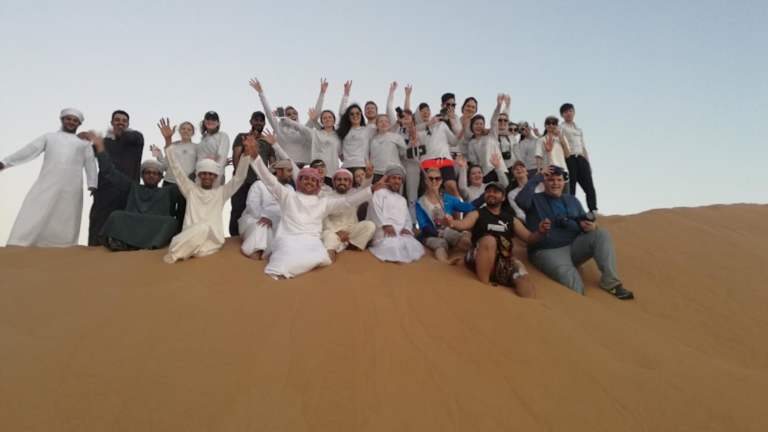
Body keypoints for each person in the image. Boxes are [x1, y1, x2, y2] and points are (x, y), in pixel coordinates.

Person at [249, 148, 382, 279]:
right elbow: (270, 181)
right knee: (283, 260)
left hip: (312, 241)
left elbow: (347, 202)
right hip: (288, 238)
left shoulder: (323, 202)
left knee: (321, 257)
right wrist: (256, 158)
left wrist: (371, 190)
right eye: (306, 179)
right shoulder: (288, 195)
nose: (309, 182)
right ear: (299, 181)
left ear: (317, 184)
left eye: (313, 180)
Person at [515, 166, 634, 299]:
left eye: (559, 180)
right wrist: (537, 177)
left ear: (564, 182)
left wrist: (591, 226)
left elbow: (583, 219)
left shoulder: (572, 200)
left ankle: (611, 283)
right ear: (544, 182)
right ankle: (582, 305)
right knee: (575, 288)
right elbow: (520, 200)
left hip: (574, 245)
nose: (555, 183)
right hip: (548, 250)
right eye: (551, 180)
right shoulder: (534, 199)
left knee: (602, 234)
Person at [158, 118, 251, 264]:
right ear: (199, 175)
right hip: (190, 237)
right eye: (204, 174)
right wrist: (168, 140)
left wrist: (246, 154)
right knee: (197, 232)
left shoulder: (221, 193)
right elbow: (176, 169)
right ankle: (180, 250)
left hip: (211, 243)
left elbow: (239, 178)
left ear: (215, 177)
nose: (207, 177)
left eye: (211, 174)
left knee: (203, 231)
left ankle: (178, 252)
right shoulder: (191, 190)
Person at [0, 108, 97, 247]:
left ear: (79, 124)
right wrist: (6, 162)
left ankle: (62, 245)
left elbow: (90, 162)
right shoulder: (49, 137)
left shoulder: (84, 143)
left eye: (75, 120)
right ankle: (19, 242)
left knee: (66, 214)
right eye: (68, 119)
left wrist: (92, 183)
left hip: (72, 185)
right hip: (48, 181)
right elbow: (29, 150)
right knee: (36, 208)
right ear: (62, 119)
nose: (71, 122)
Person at [446, 182, 545, 298]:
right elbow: (463, 224)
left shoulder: (511, 219)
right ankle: (484, 289)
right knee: (489, 240)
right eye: (488, 192)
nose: (491, 194)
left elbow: (529, 238)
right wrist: (452, 223)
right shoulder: (477, 213)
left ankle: (529, 305)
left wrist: (540, 232)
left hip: (504, 261)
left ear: (503, 197)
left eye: (495, 192)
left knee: (524, 281)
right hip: (478, 256)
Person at [89, 133, 178, 251]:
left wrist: (168, 141)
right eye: (148, 172)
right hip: (132, 223)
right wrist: (100, 149)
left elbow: (181, 177)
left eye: (155, 173)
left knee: (171, 222)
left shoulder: (169, 191)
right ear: (142, 175)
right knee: (116, 215)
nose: (151, 175)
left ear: (161, 177)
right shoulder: (132, 187)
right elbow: (109, 171)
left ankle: (153, 246)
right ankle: (122, 243)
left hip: (155, 226)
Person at [88, 110, 144, 246]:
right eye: (117, 120)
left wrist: (117, 133)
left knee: (124, 225)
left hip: (128, 190)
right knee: (99, 222)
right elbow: (88, 155)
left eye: (124, 121)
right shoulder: (104, 142)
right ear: (112, 122)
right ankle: (93, 250)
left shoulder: (136, 138)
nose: (120, 123)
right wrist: (81, 139)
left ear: (128, 124)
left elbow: (130, 137)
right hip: (105, 189)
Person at [415, 168, 475, 264]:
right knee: (441, 243)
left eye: (437, 178)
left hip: (448, 231)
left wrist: (484, 198)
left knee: (464, 236)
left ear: (441, 181)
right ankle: (445, 263)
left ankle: (474, 257)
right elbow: (424, 226)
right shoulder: (420, 203)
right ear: (426, 181)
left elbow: (468, 207)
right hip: (430, 235)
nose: (434, 181)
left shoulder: (448, 198)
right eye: (430, 178)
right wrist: (441, 233)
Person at [228, 111, 274, 236]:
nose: (258, 122)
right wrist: (239, 177)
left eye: (261, 120)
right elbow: (236, 157)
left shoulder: (267, 141)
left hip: (260, 183)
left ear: (264, 123)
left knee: (258, 211)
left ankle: (254, 236)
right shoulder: (242, 136)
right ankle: (234, 239)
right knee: (237, 209)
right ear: (251, 122)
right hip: (242, 182)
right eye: (256, 120)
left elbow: (272, 162)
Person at [367, 165, 425, 263]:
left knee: (412, 244)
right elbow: (374, 211)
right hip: (383, 231)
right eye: (393, 178)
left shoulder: (402, 200)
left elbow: (407, 218)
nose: (397, 181)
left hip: (400, 231)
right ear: (388, 179)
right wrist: (385, 225)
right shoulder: (379, 193)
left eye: (399, 179)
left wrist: (407, 228)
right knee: (392, 245)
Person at [239, 159, 294, 260]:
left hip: (279, 224)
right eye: (289, 171)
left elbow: (292, 211)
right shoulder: (259, 185)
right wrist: (265, 217)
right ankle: (254, 257)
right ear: (279, 171)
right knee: (263, 227)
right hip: (256, 220)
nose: (291, 174)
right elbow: (252, 207)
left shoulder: (290, 189)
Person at [337, 82, 398, 172]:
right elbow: (342, 113)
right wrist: (346, 95)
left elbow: (388, 128)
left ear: (361, 115)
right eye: (352, 114)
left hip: (362, 167)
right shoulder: (345, 130)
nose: (355, 116)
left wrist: (391, 93)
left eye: (358, 113)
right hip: (346, 167)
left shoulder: (368, 129)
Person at [150, 121, 198, 230]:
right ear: (179, 131)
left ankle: (180, 236)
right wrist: (158, 155)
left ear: (193, 132)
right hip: (169, 182)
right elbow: (166, 165)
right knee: (166, 211)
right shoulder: (172, 145)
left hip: (186, 184)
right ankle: (164, 236)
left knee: (183, 213)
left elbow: (200, 165)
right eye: (183, 128)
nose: (186, 131)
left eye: (189, 129)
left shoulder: (197, 147)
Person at [321, 168, 376, 261]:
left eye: (345, 180)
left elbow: (364, 189)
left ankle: (349, 248)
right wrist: (336, 231)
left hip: (351, 231)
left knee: (370, 226)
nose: (342, 182)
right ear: (334, 182)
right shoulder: (326, 196)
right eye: (339, 179)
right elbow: (324, 217)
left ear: (350, 183)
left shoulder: (354, 194)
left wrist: (369, 176)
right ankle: (331, 260)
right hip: (334, 231)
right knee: (328, 236)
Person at [560, 103, 597, 214]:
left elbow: (583, 147)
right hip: (570, 158)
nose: (568, 113)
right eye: (565, 112)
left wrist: (588, 163)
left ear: (574, 112)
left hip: (581, 158)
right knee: (571, 186)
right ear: (562, 115)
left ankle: (593, 209)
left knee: (589, 185)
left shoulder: (578, 129)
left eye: (570, 111)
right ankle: (570, 211)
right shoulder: (561, 127)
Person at [465, 94, 504, 183]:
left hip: (499, 170)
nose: (479, 126)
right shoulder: (471, 143)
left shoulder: (491, 135)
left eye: (481, 124)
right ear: (472, 126)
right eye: (476, 124)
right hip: (485, 174)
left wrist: (498, 105)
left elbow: (494, 120)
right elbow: (474, 161)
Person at [539, 116, 570, 192]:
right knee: (549, 197)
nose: (551, 125)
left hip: (562, 172)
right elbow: (538, 157)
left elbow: (567, 155)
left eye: (554, 123)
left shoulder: (562, 138)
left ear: (557, 125)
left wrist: (560, 138)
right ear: (545, 125)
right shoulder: (541, 140)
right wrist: (540, 171)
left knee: (565, 196)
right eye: (548, 123)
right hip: (549, 173)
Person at [198, 111, 230, 183]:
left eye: (213, 119)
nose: (210, 121)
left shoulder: (223, 135)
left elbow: (221, 157)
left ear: (218, 123)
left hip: (215, 175)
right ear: (204, 122)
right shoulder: (203, 139)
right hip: (201, 175)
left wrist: (215, 174)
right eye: (208, 119)